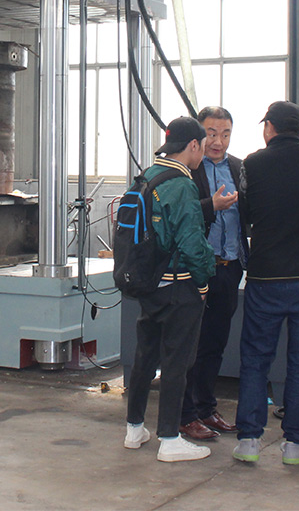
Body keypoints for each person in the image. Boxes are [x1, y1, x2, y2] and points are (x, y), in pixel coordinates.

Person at [233, 101, 299, 466]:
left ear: (270, 128)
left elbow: (245, 214)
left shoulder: (251, 164)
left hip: (267, 277)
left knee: (255, 358)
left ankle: (248, 440)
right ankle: (297, 443)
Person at [124, 116, 217, 462]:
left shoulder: (147, 176)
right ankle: (169, 438)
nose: (204, 152)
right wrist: (204, 280)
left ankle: (134, 428)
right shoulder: (181, 184)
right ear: (193, 145)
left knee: (145, 357)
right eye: (203, 146)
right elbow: (192, 242)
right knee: (177, 361)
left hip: (149, 283)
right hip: (179, 286)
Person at [179, 106, 247, 441]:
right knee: (190, 345)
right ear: (199, 136)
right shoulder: (188, 168)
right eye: (211, 133)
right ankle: (185, 414)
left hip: (229, 268)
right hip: (196, 271)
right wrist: (212, 206)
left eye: (225, 134)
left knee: (215, 344)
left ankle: (206, 408)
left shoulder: (239, 168)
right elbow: (181, 213)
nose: (218, 141)